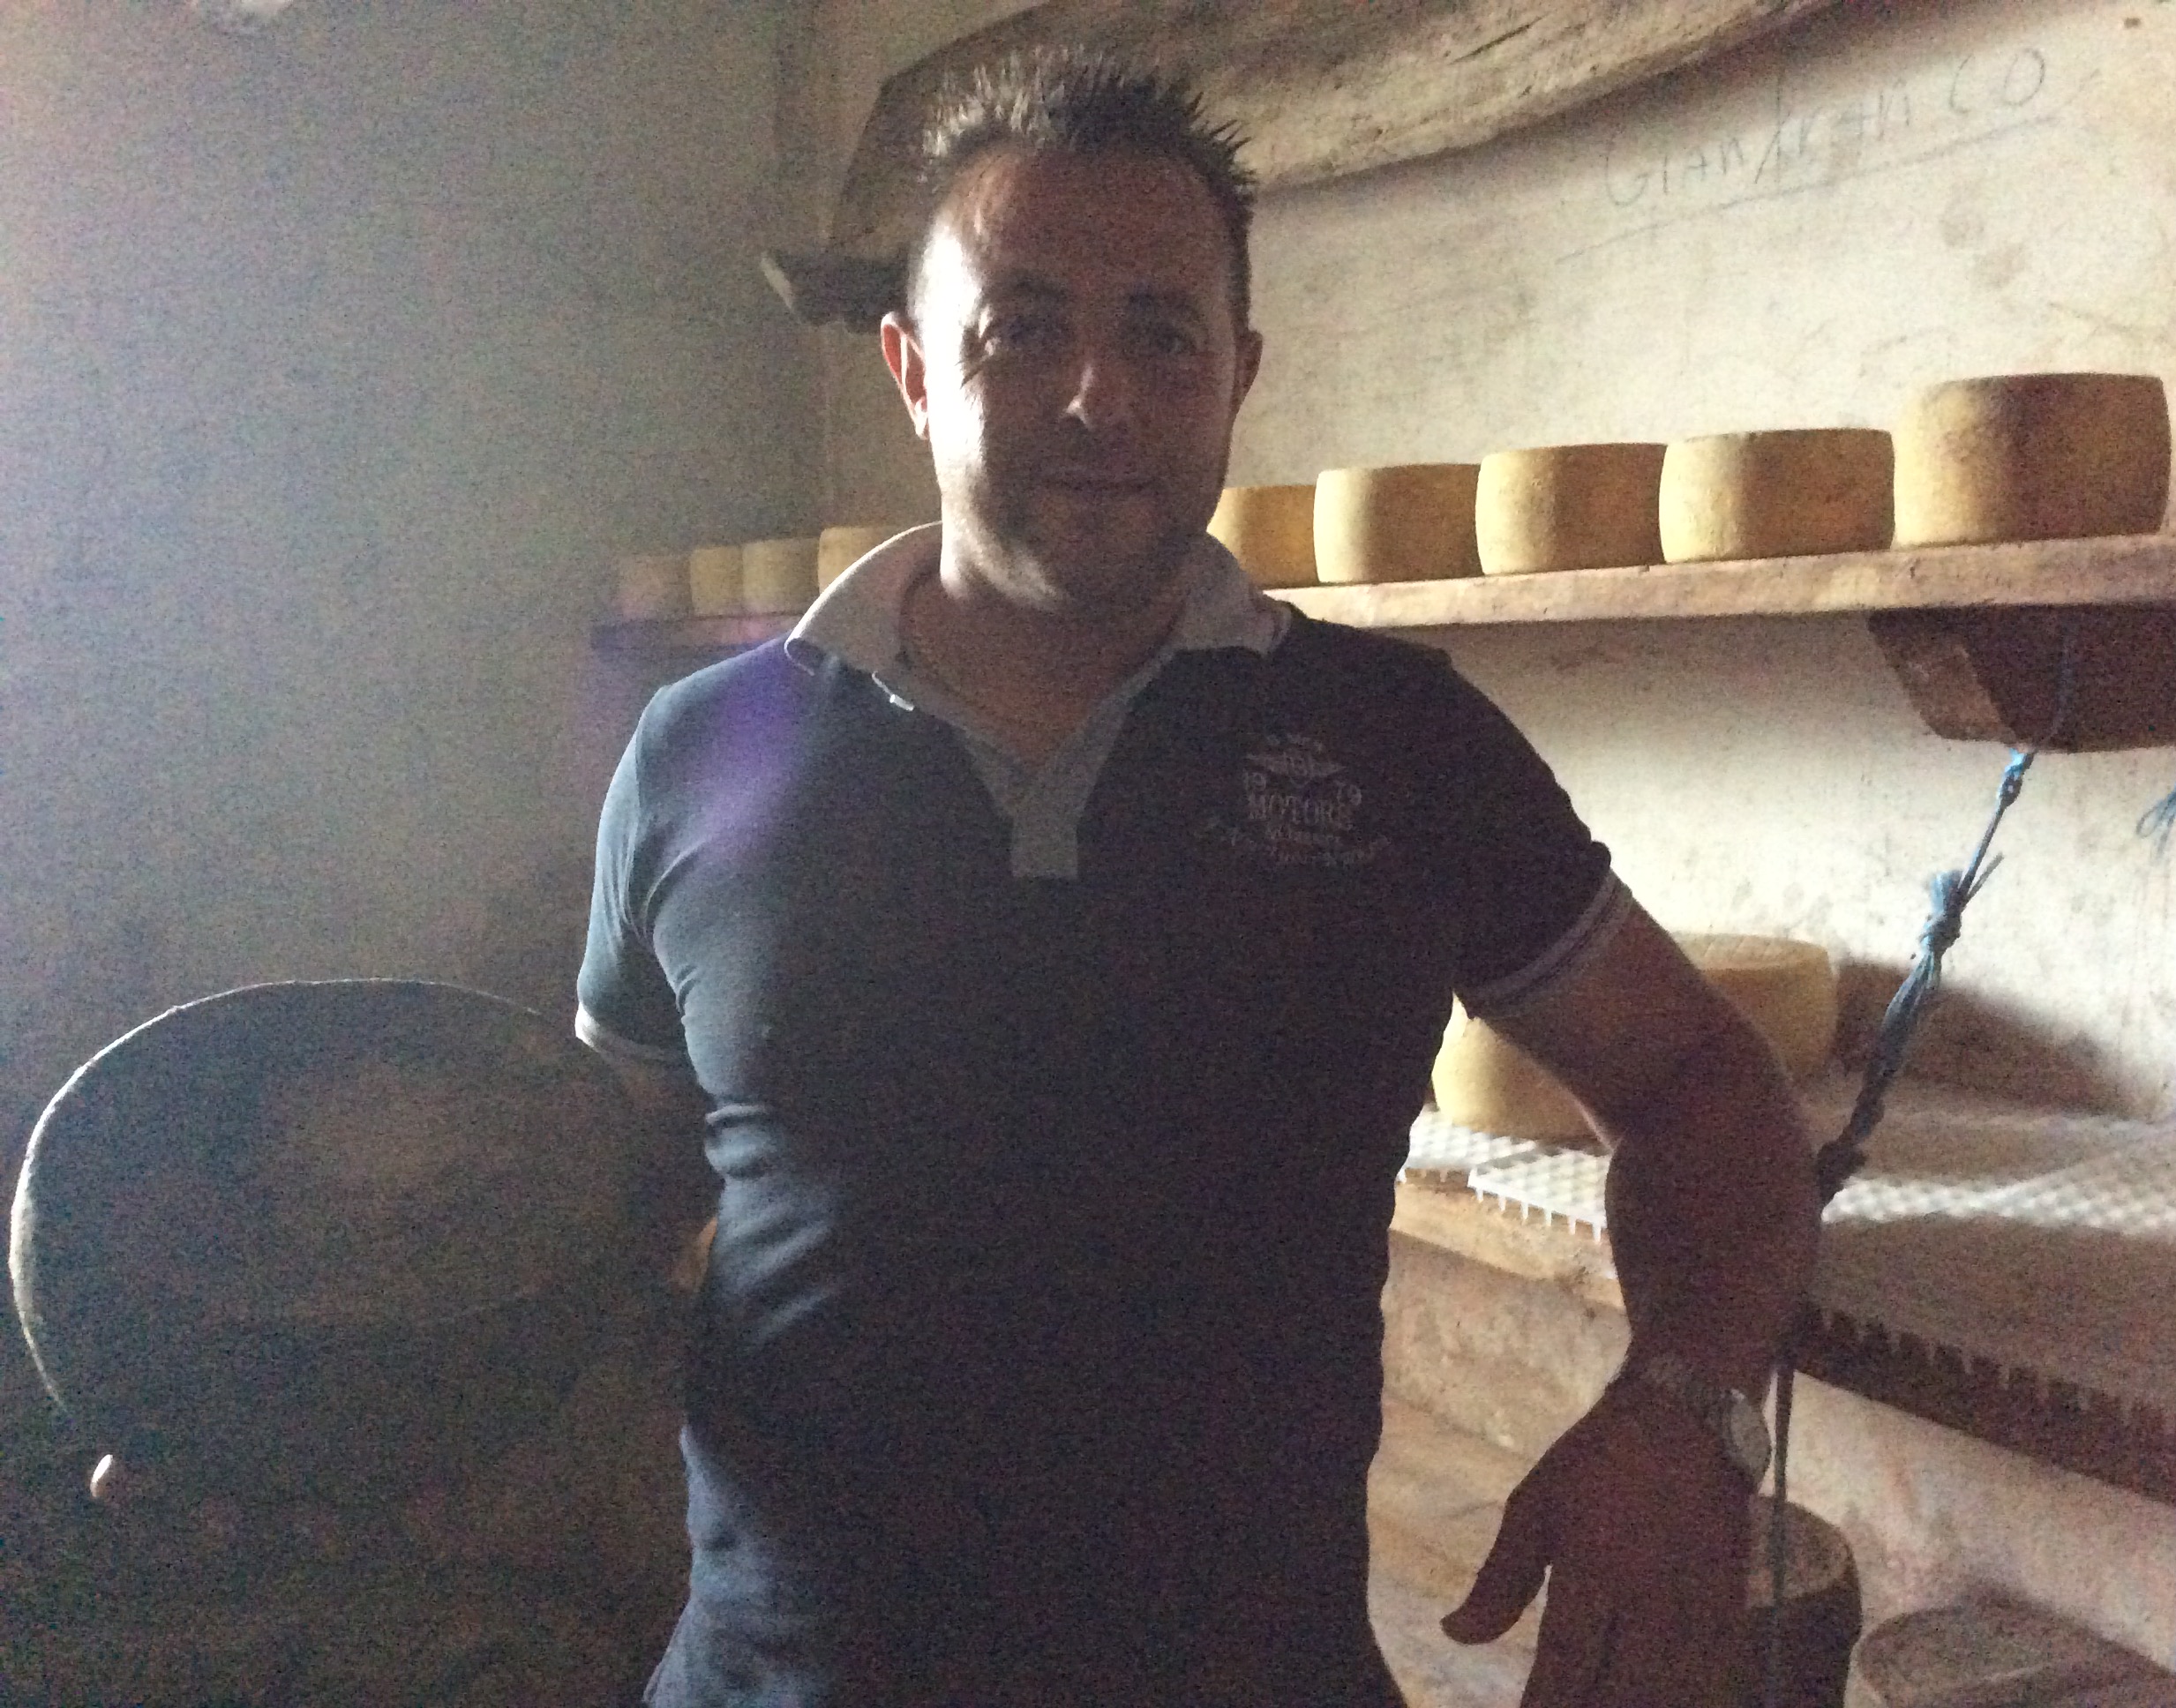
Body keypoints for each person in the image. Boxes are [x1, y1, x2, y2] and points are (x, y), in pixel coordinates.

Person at [578, 46, 1818, 1708]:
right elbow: (602, 1186)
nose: (1102, 395)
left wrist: (1682, 1416)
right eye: (1023, 329)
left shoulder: (1397, 744)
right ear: (913, 372)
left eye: (1162, 334)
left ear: (1239, 374)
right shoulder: (704, 751)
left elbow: (1703, 1091)